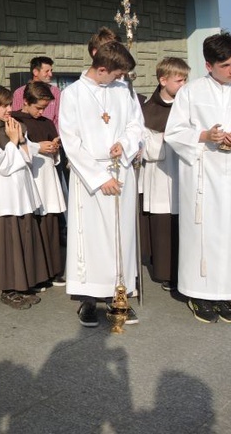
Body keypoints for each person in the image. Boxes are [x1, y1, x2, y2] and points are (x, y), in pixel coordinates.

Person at [59, 41, 144, 327]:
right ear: (102, 68)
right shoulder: (72, 94)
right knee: (92, 240)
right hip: (90, 178)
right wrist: (99, 177)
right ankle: (88, 300)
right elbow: (71, 141)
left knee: (121, 237)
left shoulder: (123, 90)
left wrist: (125, 143)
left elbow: (136, 124)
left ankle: (119, 294)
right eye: (117, 74)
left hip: (121, 172)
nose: (120, 79)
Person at [165, 33, 231, 323]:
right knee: (203, 234)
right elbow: (174, 133)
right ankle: (199, 293)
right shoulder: (191, 92)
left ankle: (227, 291)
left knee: (230, 234)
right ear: (209, 65)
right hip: (202, 174)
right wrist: (205, 136)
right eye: (227, 65)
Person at [0, 85, 47, 310]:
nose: (8, 109)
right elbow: (2, 166)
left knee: (23, 236)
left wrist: (21, 140)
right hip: (3, 195)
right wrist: (13, 141)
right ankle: (8, 289)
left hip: (21, 192)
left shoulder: (15, 126)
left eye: (9, 104)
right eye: (3, 105)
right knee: (6, 242)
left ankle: (22, 284)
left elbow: (27, 159)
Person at [141, 58, 189, 292]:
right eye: (179, 80)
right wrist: (172, 137)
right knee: (165, 223)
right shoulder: (149, 109)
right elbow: (148, 149)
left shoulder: (187, 104)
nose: (184, 84)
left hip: (185, 172)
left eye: (185, 79)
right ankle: (167, 272)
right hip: (162, 174)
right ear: (163, 80)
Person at [12, 81, 67, 286]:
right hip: (30, 176)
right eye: (38, 107)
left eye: (44, 108)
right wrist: (37, 147)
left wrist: (54, 148)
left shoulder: (46, 122)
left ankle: (53, 270)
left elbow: (53, 147)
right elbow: (14, 147)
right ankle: (37, 275)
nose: (41, 112)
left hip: (47, 177)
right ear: (25, 101)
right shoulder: (15, 120)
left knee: (51, 223)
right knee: (33, 225)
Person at [12, 57, 62, 130]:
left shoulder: (56, 92)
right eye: (47, 71)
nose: (50, 74)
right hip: (28, 135)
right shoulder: (20, 92)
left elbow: (58, 119)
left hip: (50, 136)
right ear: (35, 72)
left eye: (51, 71)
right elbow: (16, 117)